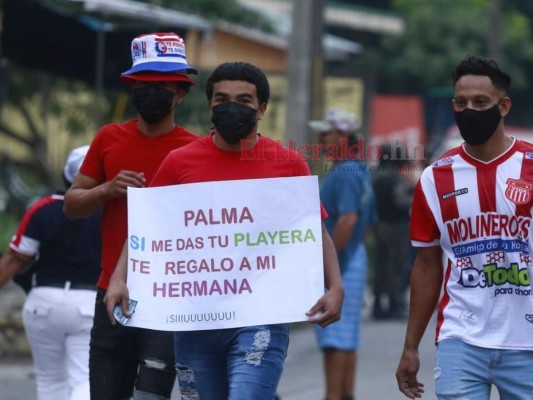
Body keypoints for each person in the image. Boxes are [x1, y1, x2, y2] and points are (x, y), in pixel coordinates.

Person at [105, 61, 345, 400]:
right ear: (209, 105)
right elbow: (149, 229)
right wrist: (119, 278)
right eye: (222, 99)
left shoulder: (288, 163)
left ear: (261, 109)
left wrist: (335, 286)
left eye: (244, 100)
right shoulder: (179, 162)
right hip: (194, 321)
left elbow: (313, 232)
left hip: (261, 318)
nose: (232, 107)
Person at [63, 32, 199, 400]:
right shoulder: (109, 138)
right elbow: (71, 205)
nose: (150, 92)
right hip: (111, 293)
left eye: (161, 86)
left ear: (181, 93)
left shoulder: (194, 150)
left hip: (169, 297)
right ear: (132, 88)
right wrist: (106, 189)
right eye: (143, 84)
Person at [396, 55, 533, 400]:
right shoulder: (433, 178)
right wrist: (410, 346)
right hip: (461, 338)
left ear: (503, 106)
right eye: (461, 102)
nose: (469, 110)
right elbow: (426, 265)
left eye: (480, 102)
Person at [0, 145, 100, 400]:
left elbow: (15, 258)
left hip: (43, 303)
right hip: (88, 304)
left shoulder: (43, 208)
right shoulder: (109, 210)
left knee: (49, 380)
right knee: (83, 379)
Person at [308, 109, 377, 400]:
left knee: (334, 336)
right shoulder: (358, 170)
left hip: (342, 261)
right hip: (354, 256)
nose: (321, 138)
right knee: (346, 335)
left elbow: (348, 219)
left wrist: (329, 264)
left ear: (343, 136)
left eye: (327, 133)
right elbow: (368, 224)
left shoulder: (344, 173)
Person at [372, 144, 415, 320]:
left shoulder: (375, 174)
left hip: (379, 224)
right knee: (397, 265)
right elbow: (401, 202)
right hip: (396, 226)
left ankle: (377, 305)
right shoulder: (396, 178)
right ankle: (394, 305)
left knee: (381, 265)